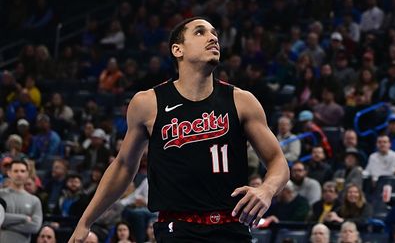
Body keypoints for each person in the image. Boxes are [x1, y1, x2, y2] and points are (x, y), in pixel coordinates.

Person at [68, 17, 290, 243]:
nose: (213, 38)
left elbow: (277, 161)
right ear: (177, 49)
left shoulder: (242, 101)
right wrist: (85, 222)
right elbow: (123, 167)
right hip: (177, 229)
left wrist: (266, 190)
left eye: (215, 33)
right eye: (200, 32)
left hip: (232, 227)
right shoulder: (148, 103)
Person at [0, 160, 43, 243]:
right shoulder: (1, 195)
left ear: (27, 174)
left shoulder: (34, 200)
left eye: (22, 171)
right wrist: (24, 218)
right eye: (16, 171)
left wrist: (4, 225)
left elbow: (35, 227)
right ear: (9, 173)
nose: (19, 174)